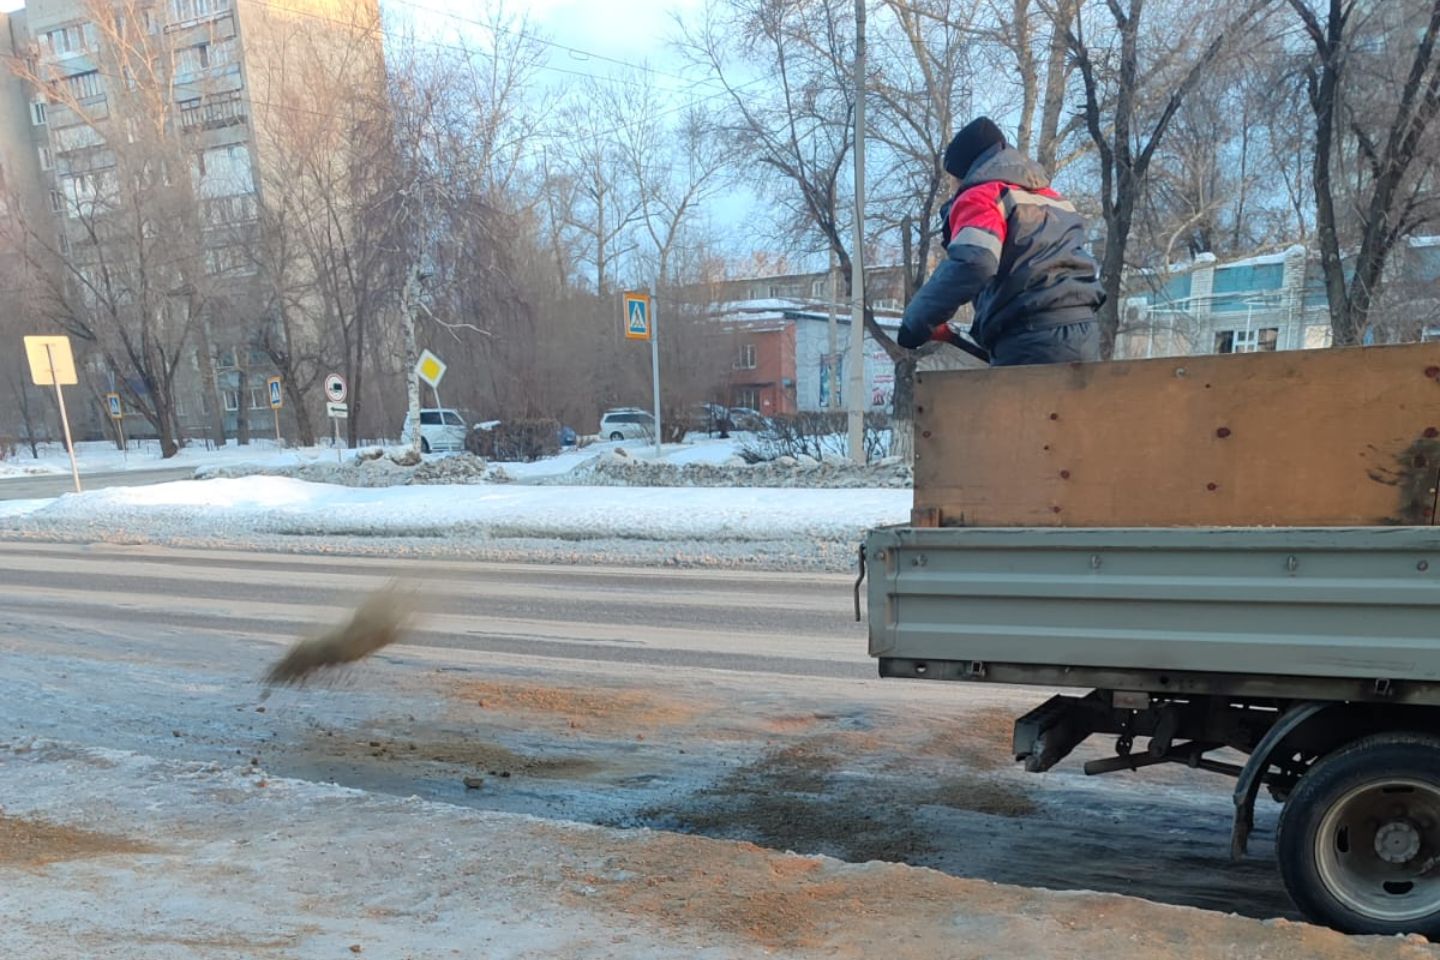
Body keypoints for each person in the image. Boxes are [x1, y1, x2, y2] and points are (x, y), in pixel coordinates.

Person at [897, 117, 1105, 366]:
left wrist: (917, 321)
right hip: (1085, 332)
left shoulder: (984, 195)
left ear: (963, 171)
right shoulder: (1053, 199)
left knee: (1012, 405)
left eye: (952, 180)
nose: (952, 188)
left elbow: (974, 262)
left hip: (1030, 337)